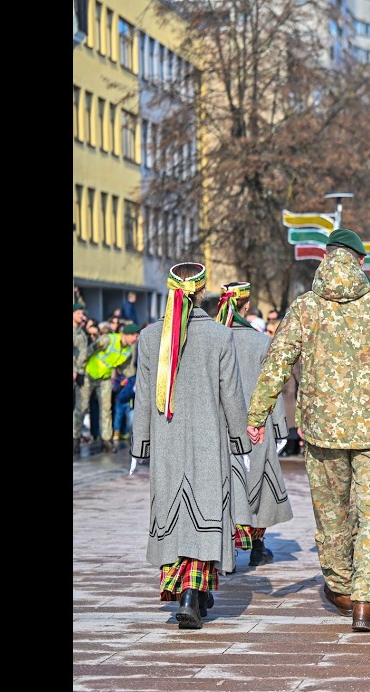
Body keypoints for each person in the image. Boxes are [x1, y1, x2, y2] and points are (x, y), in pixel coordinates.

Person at [245, 228, 370, 632]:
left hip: (322, 429)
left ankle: (340, 586)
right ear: (361, 262)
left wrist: (257, 416)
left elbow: (277, 364)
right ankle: (364, 600)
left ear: (326, 259)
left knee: (331, 514)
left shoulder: (305, 308)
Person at [132, 262, 253, 630]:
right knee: (205, 511)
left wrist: (140, 445)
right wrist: (241, 439)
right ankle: (192, 593)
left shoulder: (150, 336)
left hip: (167, 440)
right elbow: (231, 393)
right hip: (207, 438)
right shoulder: (219, 336)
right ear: (203, 292)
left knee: (174, 512)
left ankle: (188, 593)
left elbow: (142, 396)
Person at [216, 281, 294, 566]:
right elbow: (271, 386)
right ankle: (257, 547)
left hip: (222, 426)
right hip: (257, 425)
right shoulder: (261, 341)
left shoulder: (213, 338)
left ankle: (225, 551)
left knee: (226, 487)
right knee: (258, 486)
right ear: (246, 306)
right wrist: (280, 428)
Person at [84, 322, 142, 453]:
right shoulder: (108, 339)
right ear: (125, 334)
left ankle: (106, 441)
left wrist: (139, 379)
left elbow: (126, 369)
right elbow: (88, 352)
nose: (135, 338)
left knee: (106, 410)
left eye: (137, 335)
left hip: (105, 378)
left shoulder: (128, 350)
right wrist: (78, 371)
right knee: (80, 409)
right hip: (88, 375)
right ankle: (75, 439)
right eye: (133, 335)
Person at [74, 301, 92, 454]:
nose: (82, 316)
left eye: (82, 313)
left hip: (81, 373)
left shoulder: (80, 331)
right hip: (75, 372)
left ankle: (76, 438)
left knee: (80, 407)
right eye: (79, 313)